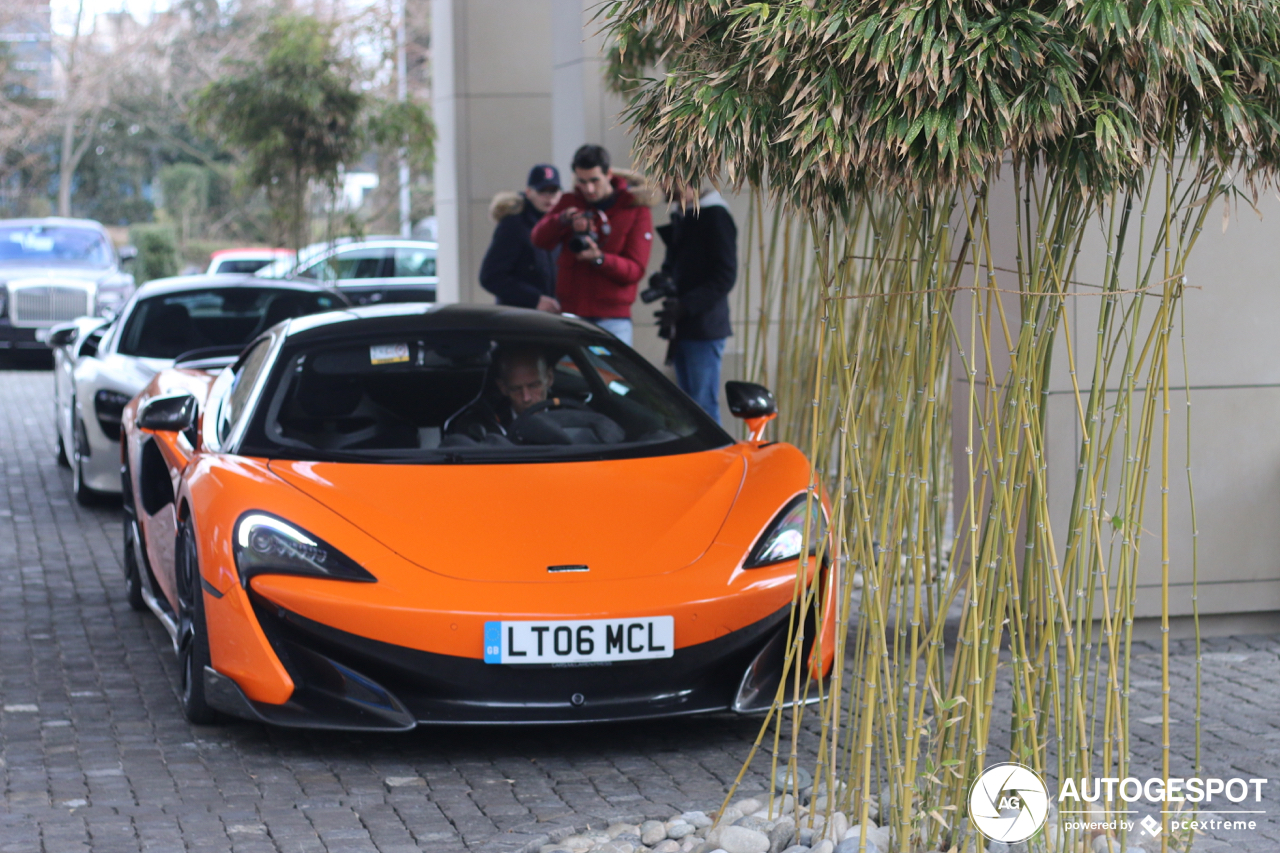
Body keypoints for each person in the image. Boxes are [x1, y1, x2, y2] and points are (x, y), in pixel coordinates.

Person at [531, 145, 654, 345]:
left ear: (609, 174)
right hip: (571, 314)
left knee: (612, 376)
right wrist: (562, 219)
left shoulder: (634, 208)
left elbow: (635, 270)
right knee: (570, 376)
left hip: (612, 318)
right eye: (582, 181)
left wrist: (599, 259)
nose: (588, 189)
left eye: (594, 181)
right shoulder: (570, 201)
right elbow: (538, 239)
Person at [652, 185, 737, 423]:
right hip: (683, 325)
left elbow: (725, 276)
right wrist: (665, 277)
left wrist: (686, 305)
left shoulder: (714, 215)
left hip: (703, 326)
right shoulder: (683, 213)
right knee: (688, 405)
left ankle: (714, 459)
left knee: (703, 404)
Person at [478, 165, 563, 311]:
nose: (549, 197)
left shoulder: (561, 225)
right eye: (542, 191)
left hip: (553, 317)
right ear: (529, 192)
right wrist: (534, 299)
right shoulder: (514, 225)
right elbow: (491, 276)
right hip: (520, 319)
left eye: (553, 191)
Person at [444, 347, 554, 441]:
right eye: (516, 389)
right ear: (503, 388)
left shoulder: (569, 416)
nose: (526, 398)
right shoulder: (483, 427)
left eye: (534, 386)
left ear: (549, 378)